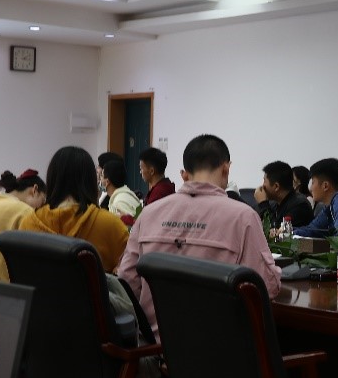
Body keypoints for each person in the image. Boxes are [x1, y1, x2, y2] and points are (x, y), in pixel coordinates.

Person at [119, 134, 281, 338]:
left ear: (185, 172)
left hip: (153, 348)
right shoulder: (243, 217)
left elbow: (127, 279)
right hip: (218, 350)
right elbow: (267, 287)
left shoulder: (149, 214)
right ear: (226, 169)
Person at [21, 146, 130, 272]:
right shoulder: (111, 225)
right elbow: (130, 272)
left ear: (51, 178)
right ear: (90, 181)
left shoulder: (28, 224)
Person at [254, 160, 315, 231]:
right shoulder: (275, 203)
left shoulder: (300, 205)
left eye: (265, 181)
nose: (262, 186)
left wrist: (263, 204)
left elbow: (276, 232)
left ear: (276, 186)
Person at [102, 159, 142, 225]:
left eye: (101, 176)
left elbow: (133, 227)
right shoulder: (127, 195)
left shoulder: (119, 202)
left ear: (107, 182)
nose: (100, 180)